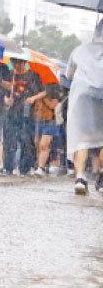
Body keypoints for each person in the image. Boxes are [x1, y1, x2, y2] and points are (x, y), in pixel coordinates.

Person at [66, 20, 103, 194]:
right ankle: (102, 177)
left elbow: (68, 74)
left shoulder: (79, 50)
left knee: (82, 138)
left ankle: (80, 178)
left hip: (83, 99)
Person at [1, 56, 43, 176]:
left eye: (19, 63)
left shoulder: (33, 76)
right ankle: (7, 168)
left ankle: (24, 168)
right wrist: (7, 100)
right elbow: (5, 94)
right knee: (9, 140)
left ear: (24, 63)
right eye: (14, 63)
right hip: (11, 112)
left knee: (26, 140)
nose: (17, 66)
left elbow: (43, 91)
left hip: (27, 113)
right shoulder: (10, 75)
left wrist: (33, 98)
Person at [32, 81, 64, 176]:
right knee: (37, 144)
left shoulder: (55, 87)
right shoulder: (36, 84)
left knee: (44, 145)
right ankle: (42, 165)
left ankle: (40, 168)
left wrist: (43, 96)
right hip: (39, 119)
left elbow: (53, 105)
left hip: (50, 120)